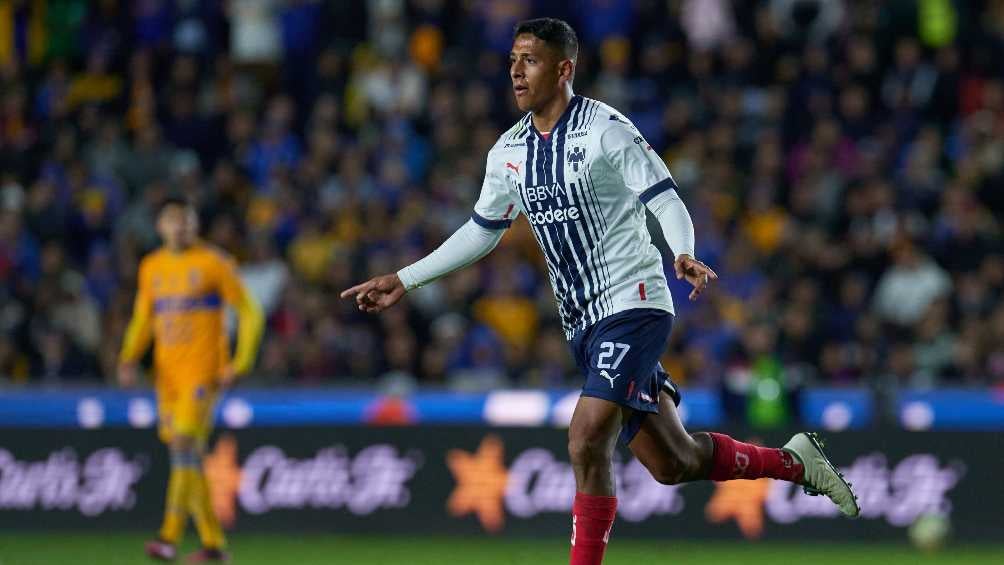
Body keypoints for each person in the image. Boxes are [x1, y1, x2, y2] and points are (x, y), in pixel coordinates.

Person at [341, 18, 859, 565]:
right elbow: (480, 232)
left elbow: (663, 195)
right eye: (513, 59)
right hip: (583, 324)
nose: (516, 70)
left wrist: (681, 250)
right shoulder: (508, 153)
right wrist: (405, 278)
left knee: (586, 437)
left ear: (564, 69)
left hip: (635, 301)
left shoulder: (605, 130)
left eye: (531, 60)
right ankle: (796, 463)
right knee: (673, 462)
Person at [119, 196, 264, 563]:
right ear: (160, 227)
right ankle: (213, 545)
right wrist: (128, 357)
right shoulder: (151, 267)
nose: (180, 227)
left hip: (203, 374)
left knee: (183, 443)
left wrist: (241, 361)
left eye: (186, 220)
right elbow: (142, 318)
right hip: (166, 376)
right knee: (185, 455)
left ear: (195, 225)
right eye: (172, 221)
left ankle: (168, 536)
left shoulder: (214, 263)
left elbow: (250, 312)